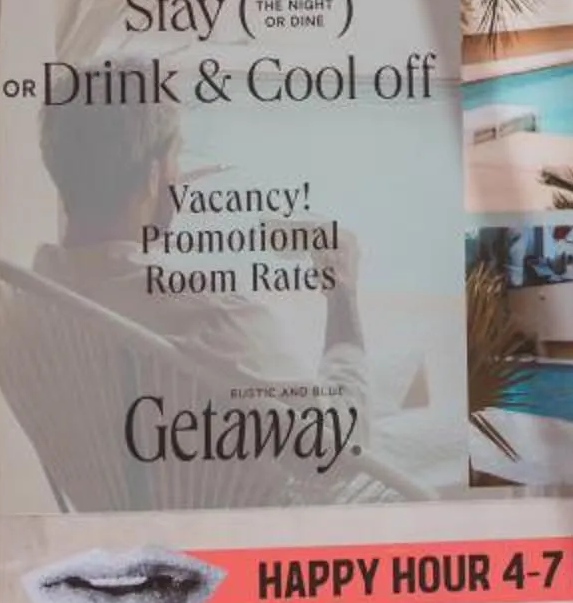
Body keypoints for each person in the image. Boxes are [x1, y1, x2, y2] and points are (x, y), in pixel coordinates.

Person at [30, 89, 367, 412]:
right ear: (152, 176)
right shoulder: (211, 317)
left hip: (107, 466)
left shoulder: (27, 292)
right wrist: (342, 294)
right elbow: (343, 443)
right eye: (177, 157)